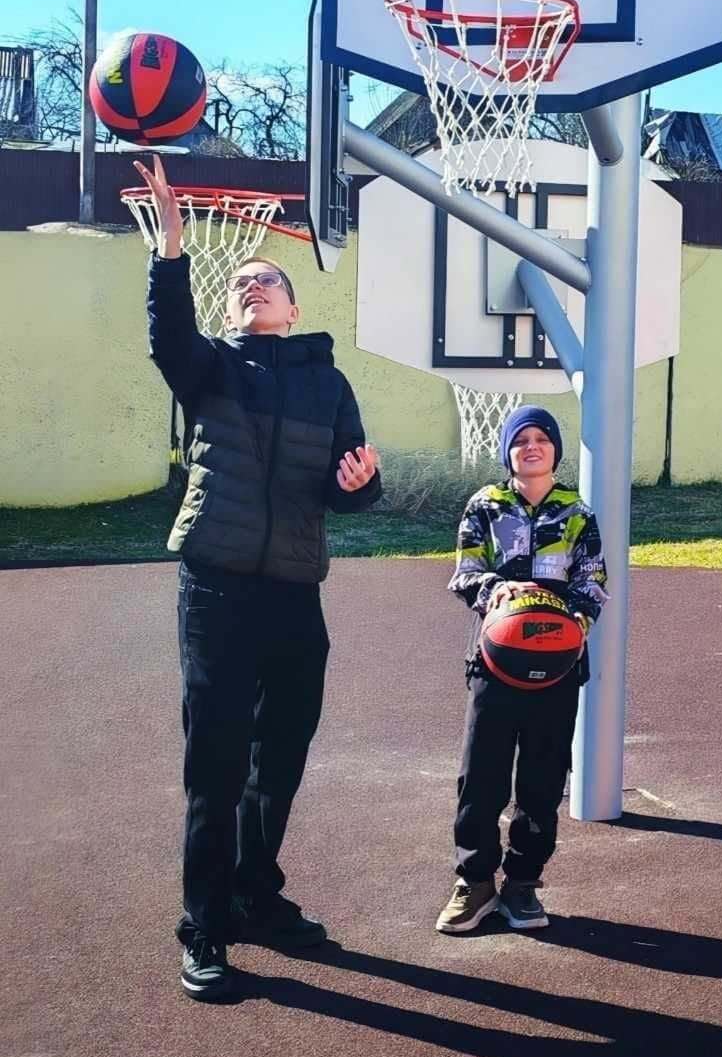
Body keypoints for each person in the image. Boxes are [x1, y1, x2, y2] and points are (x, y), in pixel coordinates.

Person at [134, 154, 382, 1000]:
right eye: (241, 282)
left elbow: (348, 486)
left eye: (267, 280)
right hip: (217, 589)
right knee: (215, 763)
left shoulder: (328, 384)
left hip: (294, 592)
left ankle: (254, 893)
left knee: (279, 758)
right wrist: (172, 250)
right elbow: (167, 334)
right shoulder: (208, 369)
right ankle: (204, 925)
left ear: (294, 307)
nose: (252, 286)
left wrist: (361, 484)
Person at [437, 405, 607, 935]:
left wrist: (564, 619)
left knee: (543, 777)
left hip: (557, 667)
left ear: (555, 449)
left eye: (541, 438)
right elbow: (465, 572)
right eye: (520, 440)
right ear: (507, 451)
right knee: (480, 775)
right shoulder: (485, 506)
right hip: (494, 662)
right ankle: (475, 881)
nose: (531, 447)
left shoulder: (577, 513)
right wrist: (498, 590)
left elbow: (592, 583)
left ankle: (523, 883)